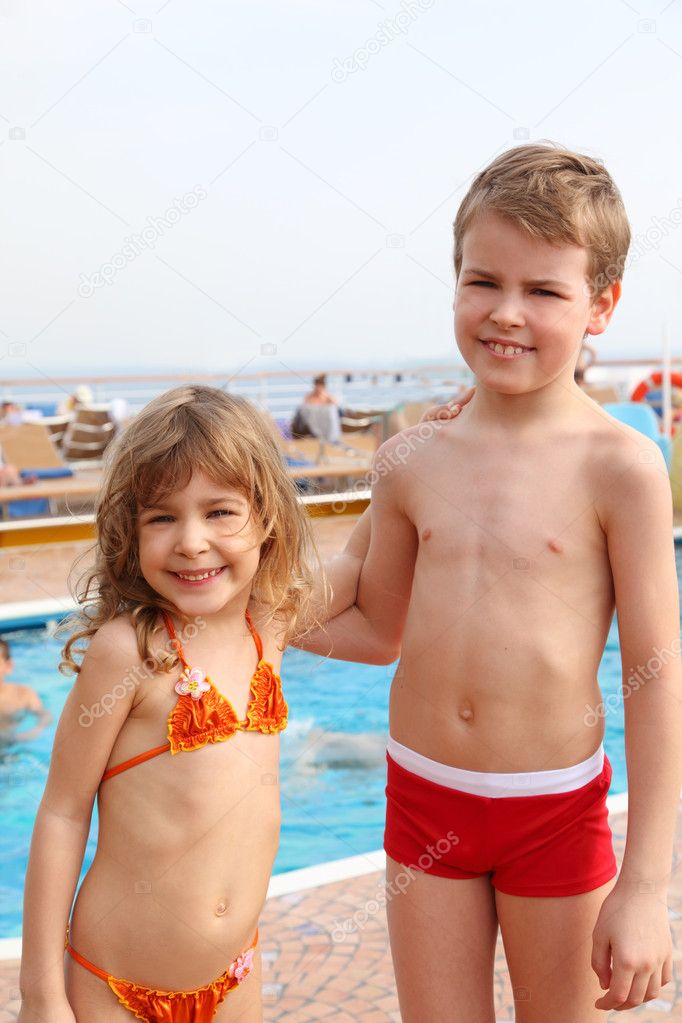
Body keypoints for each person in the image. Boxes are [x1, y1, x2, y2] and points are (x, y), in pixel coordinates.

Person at [298, 144, 682, 1018]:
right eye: (483, 282)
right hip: (422, 794)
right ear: (457, 281)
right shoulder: (411, 456)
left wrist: (644, 882)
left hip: (552, 809)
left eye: (545, 291)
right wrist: (244, 613)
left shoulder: (621, 467)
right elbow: (375, 629)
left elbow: (655, 679)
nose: (507, 313)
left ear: (601, 306)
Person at [18, 385, 364, 1023]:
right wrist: (41, 993)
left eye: (220, 512)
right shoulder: (131, 653)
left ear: (268, 518)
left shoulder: (271, 627)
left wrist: (423, 452)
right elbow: (64, 813)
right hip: (112, 986)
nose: (192, 541)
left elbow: (368, 566)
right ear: (131, 531)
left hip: (234, 980)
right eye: (161, 517)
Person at [0, 638, 51, 740]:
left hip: (13, 743)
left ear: (9, 666)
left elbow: (44, 715)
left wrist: (35, 731)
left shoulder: (23, 694)